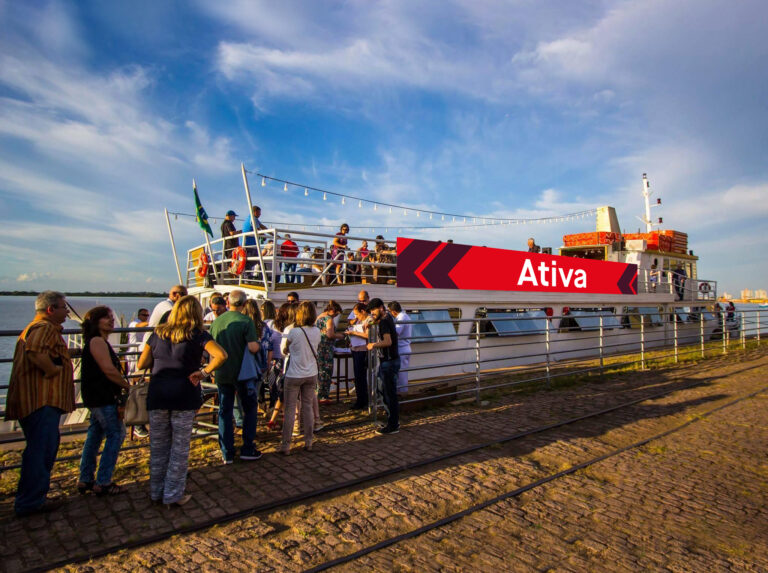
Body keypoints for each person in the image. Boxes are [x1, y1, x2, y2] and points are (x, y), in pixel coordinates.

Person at [138, 296, 227, 507]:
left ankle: (156, 491)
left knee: (158, 446)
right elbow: (221, 355)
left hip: (158, 392)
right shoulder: (198, 335)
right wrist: (203, 373)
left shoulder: (157, 333)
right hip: (184, 393)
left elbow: (142, 362)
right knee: (179, 447)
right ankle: (173, 494)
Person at [5, 291, 75, 517]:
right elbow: (35, 351)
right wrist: (52, 369)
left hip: (38, 400)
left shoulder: (40, 328)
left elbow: (42, 350)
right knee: (41, 449)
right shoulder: (43, 328)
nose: (67, 312)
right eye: (64, 308)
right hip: (40, 400)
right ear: (50, 309)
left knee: (42, 447)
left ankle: (33, 497)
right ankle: (30, 502)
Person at [77, 306, 130, 497]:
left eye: (111, 317)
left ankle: (86, 478)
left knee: (95, 434)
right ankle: (103, 481)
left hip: (95, 396)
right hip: (102, 396)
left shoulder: (97, 341)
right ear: (95, 322)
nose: (111, 320)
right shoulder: (98, 341)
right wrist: (126, 386)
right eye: (106, 318)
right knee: (116, 434)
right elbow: (108, 369)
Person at [209, 290, 262, 464]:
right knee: (249, 409)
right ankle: (247, 447)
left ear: (228, 302)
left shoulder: (217, 322)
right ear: (245, 304)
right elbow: (253, 347)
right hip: (243, 373)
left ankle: (227, 451)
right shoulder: (245, 321)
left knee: (224, 410)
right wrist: (259, 345)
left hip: (222, 371)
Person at [279, 301, 321, 454]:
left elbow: (285, 350)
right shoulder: (317, 331)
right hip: (311, 373)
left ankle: (286, 445)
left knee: (290, 409)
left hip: (294, 373)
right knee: (308, 406)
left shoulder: (294, 332)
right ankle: (308, 441)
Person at [366, 298, 401, 435]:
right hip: (390, 361)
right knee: (383, 389)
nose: (372, 314)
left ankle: (393, 425)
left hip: (389, 362)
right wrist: (372, 322)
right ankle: (393, 420)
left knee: (388, 393)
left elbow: (387, 341)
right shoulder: (387, 318)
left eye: (373, 311)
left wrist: (373, 345)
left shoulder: (384, 322)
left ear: (380, 308)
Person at [265, 302, 296, 430]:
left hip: (276, 361)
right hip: (285, 362)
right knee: (284, 392)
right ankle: (280, 419)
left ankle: (274, 418)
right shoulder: (290, 329)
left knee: (279, 392)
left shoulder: (275, 326)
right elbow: (285, 349)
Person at [315, 301, 345, 403]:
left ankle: (318, 394)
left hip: (318, 347)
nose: (336, 316)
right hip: (326, 349)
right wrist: (341, 336)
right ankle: (323, 395)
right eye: (336, 314)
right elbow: (330, 335)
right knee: (326, 372)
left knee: (319, 371)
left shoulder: (319, 317)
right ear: (333, 311)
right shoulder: (329, 319)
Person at [346, 303, 370, 409]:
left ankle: (363, 399)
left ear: (363, 311)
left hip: (363, 349)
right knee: (357, 376)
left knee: (361, 375)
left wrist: (354, 334)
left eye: (357, 314)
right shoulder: (359, 320)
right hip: (355, 348)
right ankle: (360, 398)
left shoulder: (369, 320)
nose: (356, 317)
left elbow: (368, 335)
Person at [388, 301, 412, 394]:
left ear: (393, 311)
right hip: (404, 347)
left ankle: (402, 393)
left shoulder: (401, 317)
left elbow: (397, 332)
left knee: (401, 373)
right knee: (402, 372)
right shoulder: (403, 316)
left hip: (402, 347)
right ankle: (401, 391)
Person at [126, 308, 150, 374]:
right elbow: (138, 326)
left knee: (138, 371)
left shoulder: (146, 325)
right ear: (139, 315)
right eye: (144, 315)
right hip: (133, 351)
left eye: (147, 315)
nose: (146, 317)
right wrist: (150, 322)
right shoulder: (134, 323)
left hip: (141, 350)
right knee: (131, 371)